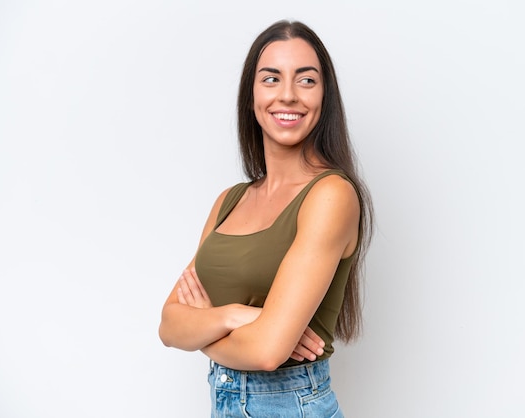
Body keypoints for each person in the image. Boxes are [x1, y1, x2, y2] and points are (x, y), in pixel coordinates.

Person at [159, 19, 373, 417]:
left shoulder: (331, 196)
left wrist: (203, 329)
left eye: (306, 81)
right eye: (271, 79)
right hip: (226, 402)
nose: (288, 95)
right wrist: (239, 316)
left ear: (325, 96)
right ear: (251, 94)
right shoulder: (229, 201)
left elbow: (268, 352)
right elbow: (169, 326)